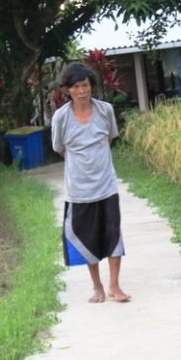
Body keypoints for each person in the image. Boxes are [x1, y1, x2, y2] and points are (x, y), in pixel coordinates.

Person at [51, 62, 131, 303]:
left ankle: (114, 286)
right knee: (88, 238)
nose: (81, 91)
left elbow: (109, 139)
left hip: (106, 186)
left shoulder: (105, 111)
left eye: (85, 85)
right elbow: (59, 148)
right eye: (76, 87)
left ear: (91, 86)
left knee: (113, 234)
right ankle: (97, 287)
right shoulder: (61, 118)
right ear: (68, 90)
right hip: (79, 190)